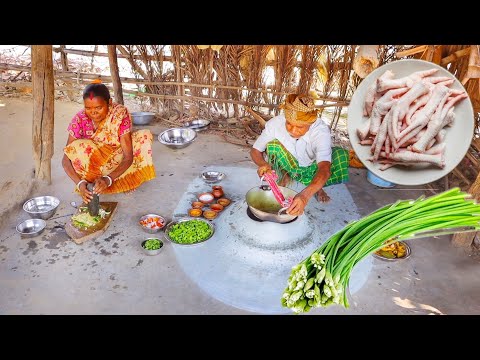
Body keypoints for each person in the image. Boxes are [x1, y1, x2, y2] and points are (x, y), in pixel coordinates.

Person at [250, 93, 349, 217]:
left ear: (310, 123)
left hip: (311, 165)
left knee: (339, 155)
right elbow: (255, 150)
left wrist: (305, 196)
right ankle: (285, 175)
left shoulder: (320, 131)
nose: (293, 130)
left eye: (300, 127)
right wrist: (263, 164)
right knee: (272, 145)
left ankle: (317, 188)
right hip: (289, 162)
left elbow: (324, 168)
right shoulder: (275, 124)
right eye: (289, 124)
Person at [62, 80, 156, 204]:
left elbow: (128, 157)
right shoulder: (79, 119)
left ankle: (126, 180)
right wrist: (80, 184)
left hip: (118, 159)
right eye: (88, 108)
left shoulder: (119, 114)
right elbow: (65, 160)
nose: (93, 112)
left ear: (110, 103)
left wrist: (108, 179)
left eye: (98, 107)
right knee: (78, 146)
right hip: (95, 165)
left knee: (143, 137)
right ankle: (92, 185)